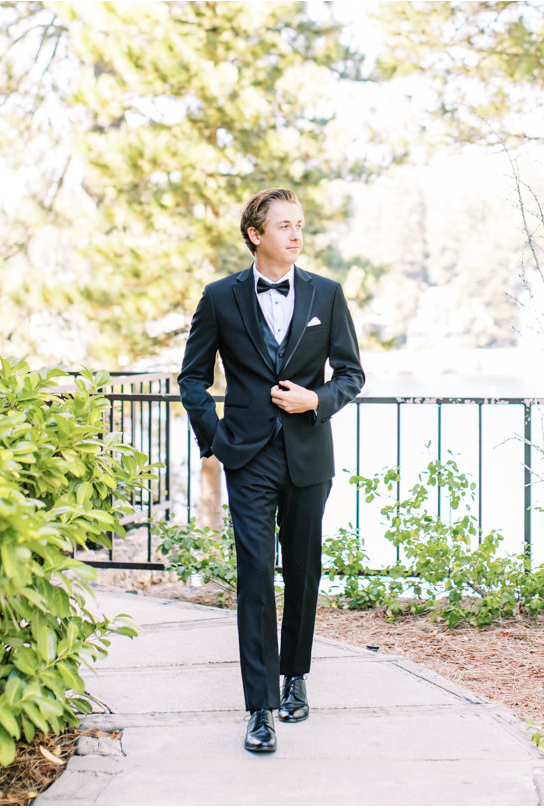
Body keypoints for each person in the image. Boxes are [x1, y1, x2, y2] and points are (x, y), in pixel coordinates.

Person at [177, 188, 364, 754]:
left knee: (303, 570)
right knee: (255, 574)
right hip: (249, 457)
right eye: (284, 225)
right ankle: (259, 708)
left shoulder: (326, 295)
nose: (296, 234)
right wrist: (215, 438)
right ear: (256, 234)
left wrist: (317, 401)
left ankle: (295, 676)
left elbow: (352, 374)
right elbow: (192, 378)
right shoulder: (219, 298)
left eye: (300, 224)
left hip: (309, 455)